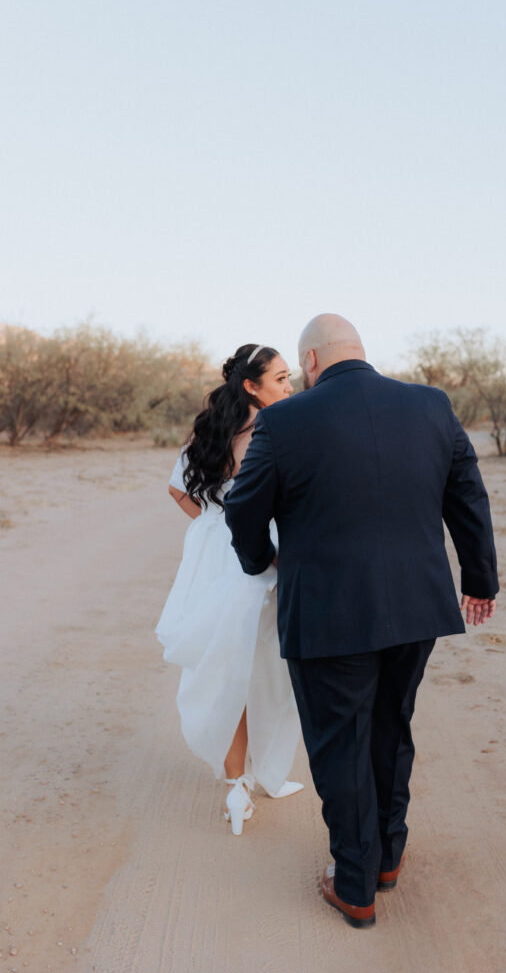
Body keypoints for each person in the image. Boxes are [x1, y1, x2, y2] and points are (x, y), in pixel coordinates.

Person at [225, 314, 498, 925]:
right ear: (359, 352)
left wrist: (262, 561)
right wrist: (479, 581)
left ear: (313, 361)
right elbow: (468, 496)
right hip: (416, 607)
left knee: (339, 742)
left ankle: (354, 884)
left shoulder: (283, 420)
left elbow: (242, 507)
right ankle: (386, 859)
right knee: (390, 727)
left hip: (326, 613)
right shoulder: (430, 405)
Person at [155, 343, 303, 836]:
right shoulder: (271, 430)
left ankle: (239, 783)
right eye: (281, 378)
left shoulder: (212, 428)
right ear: (252, 385)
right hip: (258, 558)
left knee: (232, 667)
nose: (290, 386)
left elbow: (178, 489)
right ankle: (258, 776)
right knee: (268, 669)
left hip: (214, 557)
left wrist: (212, 525)